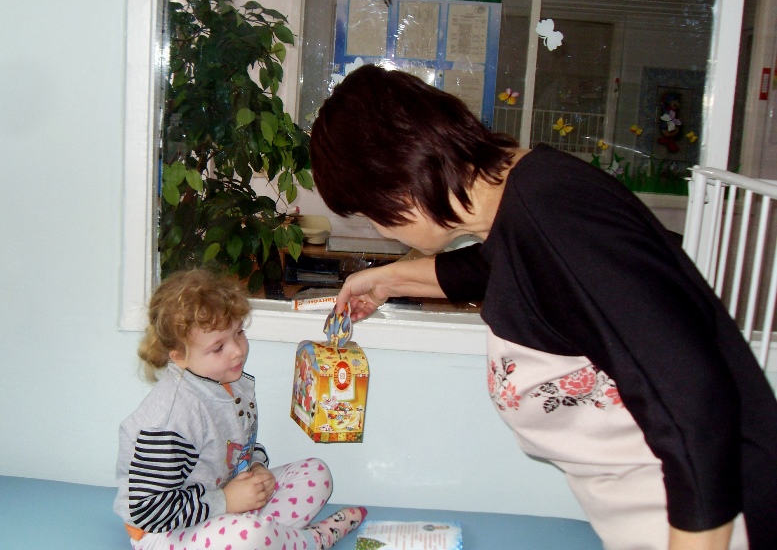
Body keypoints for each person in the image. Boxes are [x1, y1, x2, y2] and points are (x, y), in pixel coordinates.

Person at [309, 64, 777, 550]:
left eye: (371, 214)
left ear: (397, 182)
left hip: (718, 526)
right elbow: (508, 268)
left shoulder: (556, 212)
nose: (381, 230)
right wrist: (388, 280)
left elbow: (694, 404)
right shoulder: (525, 201)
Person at [114, 268, 366, 550]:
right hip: (164, 531)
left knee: (316, 473)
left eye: (238, 333)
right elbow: (147, 509)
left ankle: (273, 539)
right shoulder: (171, 418)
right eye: (218, 347)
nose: (237, 351)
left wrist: (257, 467)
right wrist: (226, 500)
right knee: (250, 534)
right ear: (179, 357)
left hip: (225, 504)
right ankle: (313, 540)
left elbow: (237, 448)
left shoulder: (229, 382)